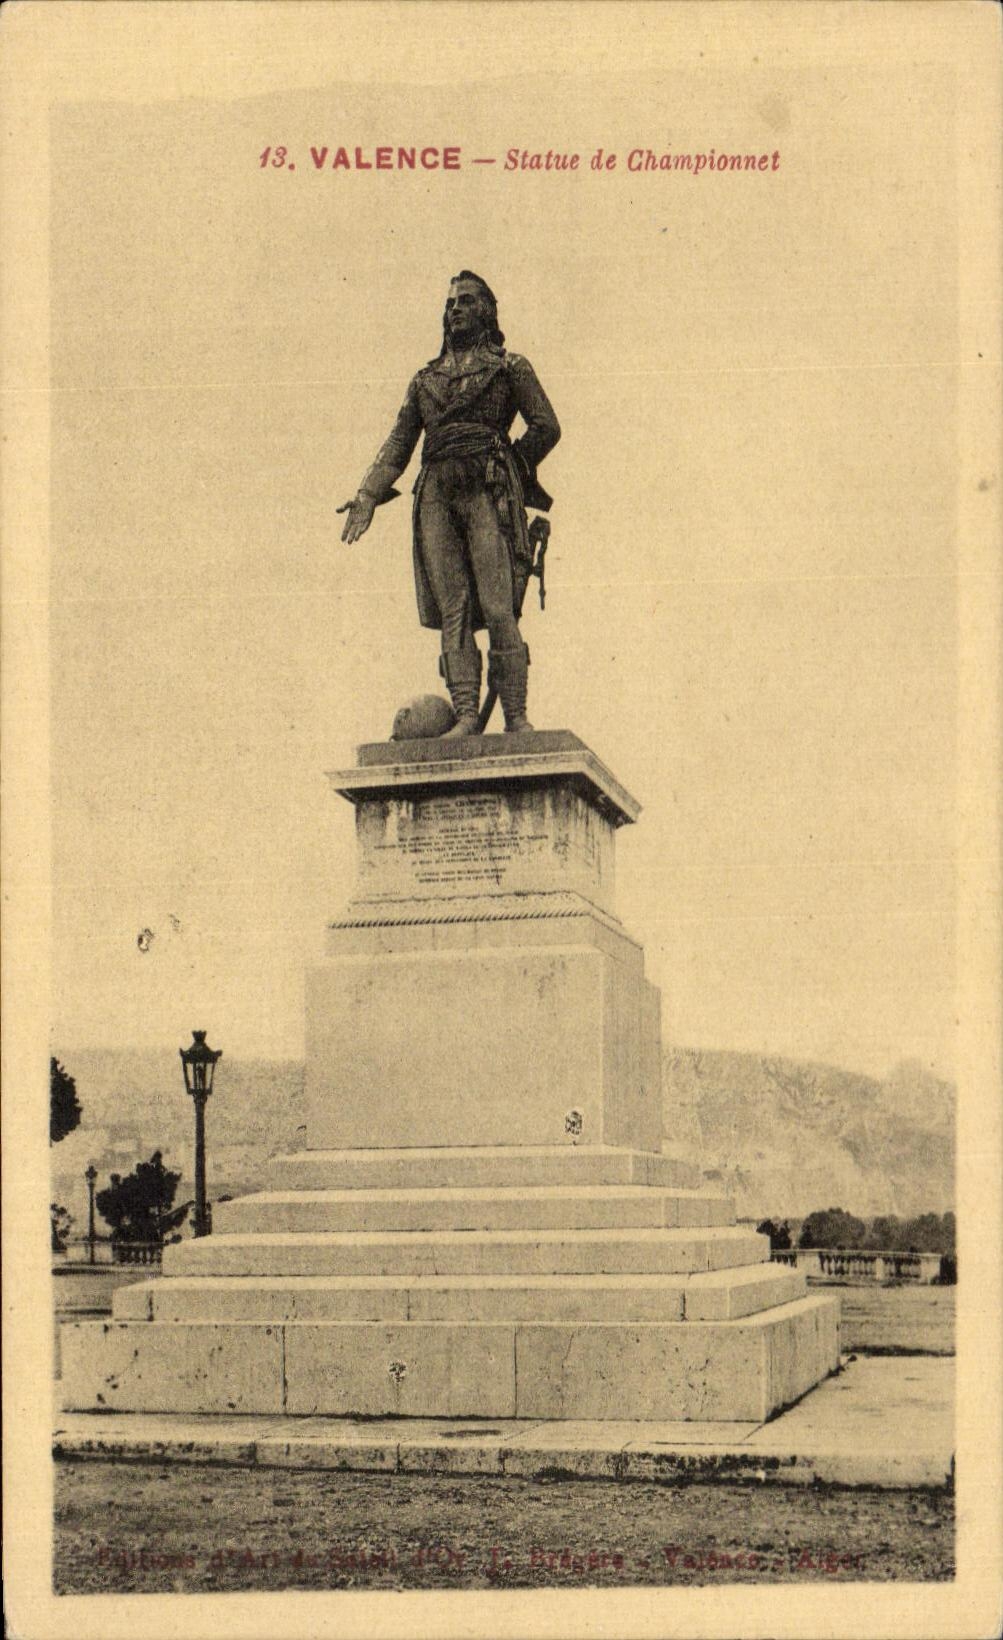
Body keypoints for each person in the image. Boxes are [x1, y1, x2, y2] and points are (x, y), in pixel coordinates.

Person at [338, 272, 561, 734]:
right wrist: (367, 495)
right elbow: (398, 444)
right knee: (454, 607)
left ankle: (516, 716)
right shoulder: (425, 381)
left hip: (487, 488)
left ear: (486, 312)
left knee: (499, 606)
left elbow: (546, 426)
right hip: (436, 491)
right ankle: (464, 714)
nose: (454, 309)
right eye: (450, 303)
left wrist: (511, 467)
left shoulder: (509, 367)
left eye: (466, 301)